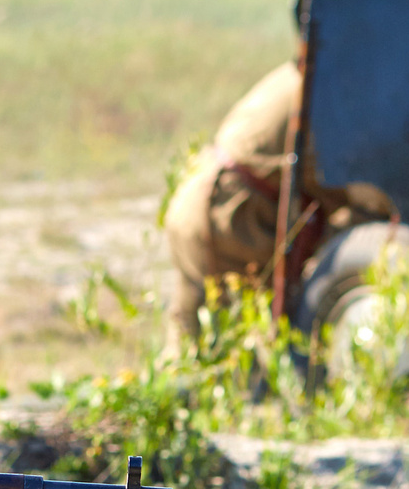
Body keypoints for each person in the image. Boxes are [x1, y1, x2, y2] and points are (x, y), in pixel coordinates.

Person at [160, 54, 391, 345]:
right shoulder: (327, 95)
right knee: (255, 350)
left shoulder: (298, 76)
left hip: (196, 202)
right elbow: (368, 198)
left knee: (190, 344)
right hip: (229, 219)